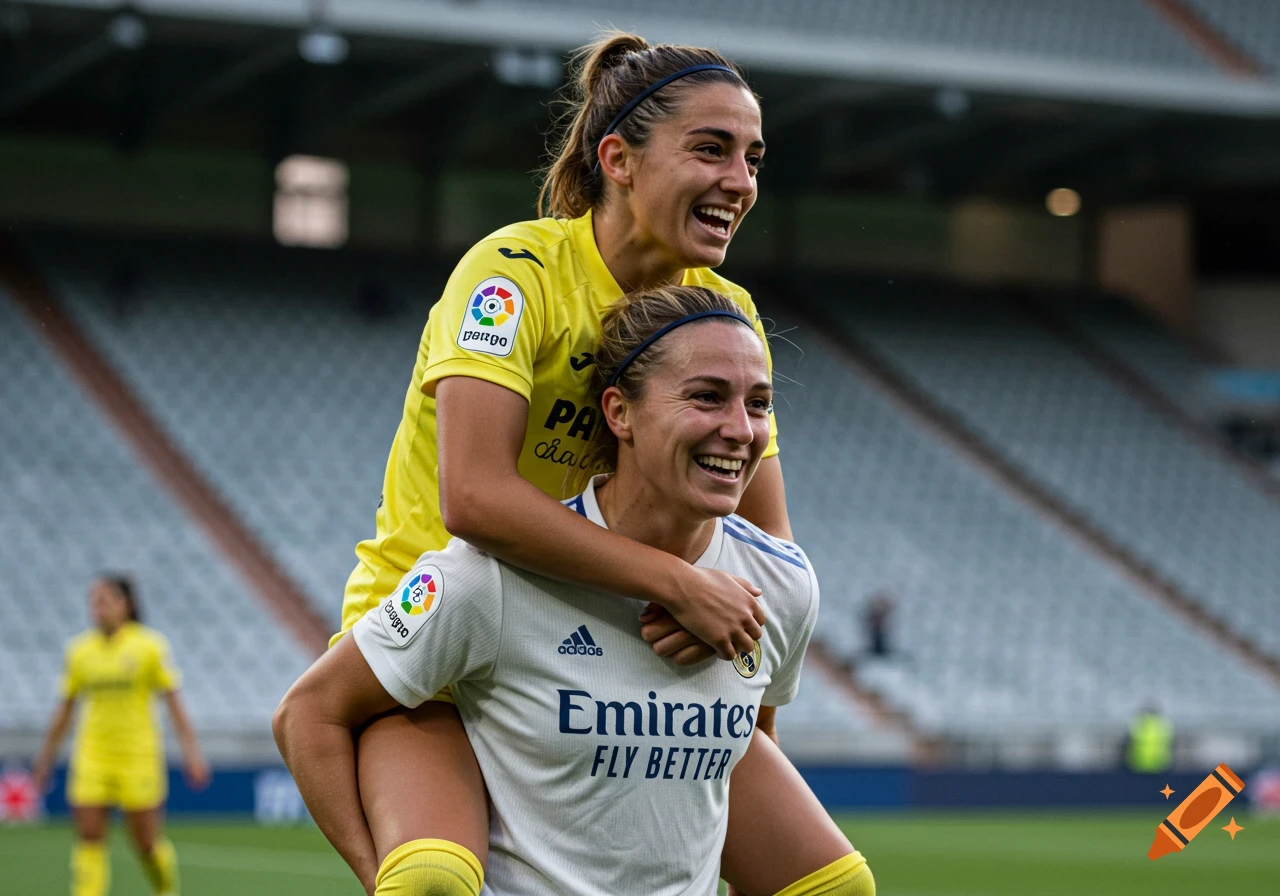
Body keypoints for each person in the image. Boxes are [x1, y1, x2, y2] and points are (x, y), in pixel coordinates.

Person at [331, 31, 825, 896]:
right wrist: (668, 582)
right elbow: (475, 499)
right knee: (429, 883)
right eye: (710, 150)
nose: (740, 183)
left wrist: (735, 688)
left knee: (830, 886)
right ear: (618, 159)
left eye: (752, 157)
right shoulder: (512, 277)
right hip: (438, 651)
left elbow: (764, 545)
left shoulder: (727, 313)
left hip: (604, 653)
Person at [277, 285, 873, 896]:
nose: (741, 430)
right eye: (706, 398)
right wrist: (377, 880)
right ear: (619, 413)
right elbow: (307, 714)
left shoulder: (782, 584)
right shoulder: (489, 576)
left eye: (760, 404)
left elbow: (751, 754)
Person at [32, 576, 210, 896]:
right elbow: (65, 709)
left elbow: (175, 705)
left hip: (137, 755)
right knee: (88, 838)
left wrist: (192, 753)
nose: (97, 608)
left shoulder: (150, 646)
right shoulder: (79, 651)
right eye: (93, 601)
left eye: (105, 601)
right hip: (92, 755)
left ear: (125, 604)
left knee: (145, 843)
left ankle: (166, 890)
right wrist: (46, 759)